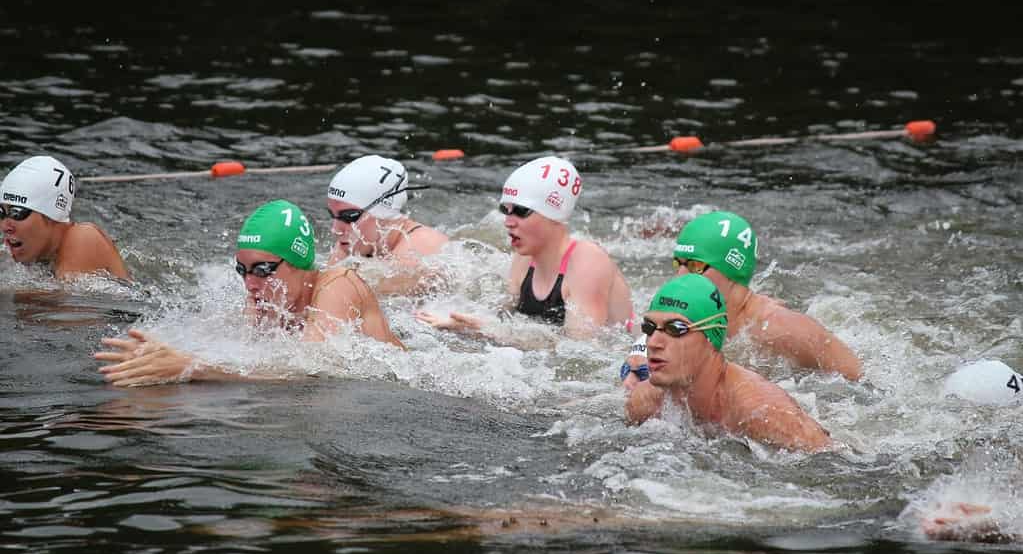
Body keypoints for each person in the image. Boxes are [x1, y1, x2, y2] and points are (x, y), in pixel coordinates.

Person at [95, 199, 403, 387]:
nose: (250, 284)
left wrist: (192, 367)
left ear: (298, 263)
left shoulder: (339, 285)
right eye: (242, 270)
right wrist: (162, 352)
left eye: (262, 269)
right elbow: (238, 352)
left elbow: (314, 372)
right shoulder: (268, 297)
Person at [621, 211, 861, 389]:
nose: (680, 276)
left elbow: (861, 384)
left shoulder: (780, 330)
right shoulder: (676, 309)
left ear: (733, 270)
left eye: (694, 266)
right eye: (678, 263)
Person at [416, 156, 633, 340]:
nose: (508, 221)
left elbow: (581, 351)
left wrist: (494, 332)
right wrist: (459, 322)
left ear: (553, 213)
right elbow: (503, 317)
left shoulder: (587, 262)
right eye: (505, 210)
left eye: (520, 211)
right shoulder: (525, 257)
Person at [625, 274, 833, 453]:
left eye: (676, 329)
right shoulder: (645, 403)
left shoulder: (762, 413)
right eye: (650, 327)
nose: (653, 342)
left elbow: (836, 464)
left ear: (710, 337)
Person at [327, 155, 449, 295]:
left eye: (349, 216)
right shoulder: (351, 243)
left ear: (383, 213)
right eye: (332, 215)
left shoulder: (420, 247)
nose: (335, 229)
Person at [1, 155, 129, 281]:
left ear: (50, 215)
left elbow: (66, 298)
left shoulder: (83, 237)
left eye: (16, 212)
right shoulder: (36, 253)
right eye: (1, 212)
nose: (5, 226)